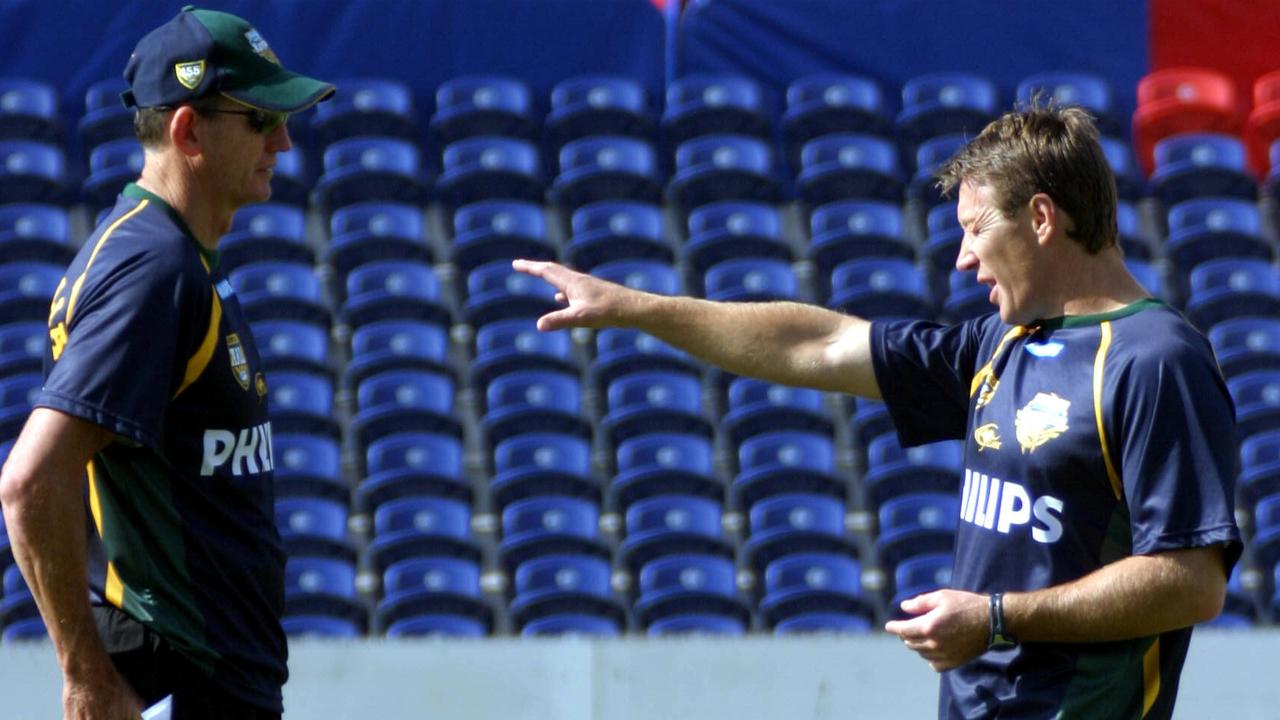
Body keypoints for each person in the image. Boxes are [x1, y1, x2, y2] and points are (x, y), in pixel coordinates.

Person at [512, 103, 1241, 719]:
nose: (962, 259)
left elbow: (1191, 580)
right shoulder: (1003, 341)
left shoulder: (1155, 360)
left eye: (975, 228)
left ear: (1043, 219)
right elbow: (819, 344)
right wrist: (638, 308)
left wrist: (995, 618)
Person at [0, 7, 333, 719]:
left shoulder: (175, 257)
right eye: (259, 119)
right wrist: (87, 680)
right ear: (188, 130)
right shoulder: (153, 268)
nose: (283, 139)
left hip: (213, 682)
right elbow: (30, 482)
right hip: (180, 683)